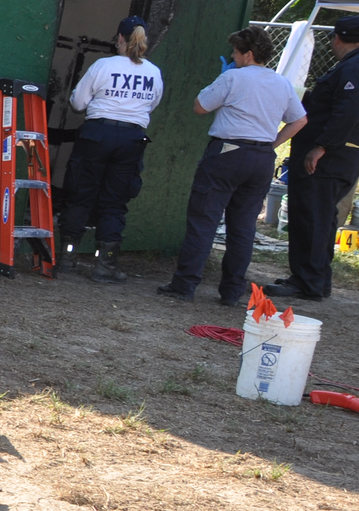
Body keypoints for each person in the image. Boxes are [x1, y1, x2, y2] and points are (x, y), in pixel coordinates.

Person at [157, 29, 307, 306]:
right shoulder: (281, 83)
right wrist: (271, 145)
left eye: (236, 53)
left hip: (227, 152)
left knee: (204, 221)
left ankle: (185, 284)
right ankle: (231, 291)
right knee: (243, 227)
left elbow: (200, 107)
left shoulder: (233, 77)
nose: (233, 57)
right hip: (261, 157)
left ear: (248, 54)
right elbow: (299, 121)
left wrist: (222, 78)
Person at [58, 16, 164, 282]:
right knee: (115, 202)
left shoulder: (103, 65)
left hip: (97, 135)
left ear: (119, 38)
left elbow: (79, 104)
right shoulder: (153, 72)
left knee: (80, 194)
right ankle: (105, 265)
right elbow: (151, 106)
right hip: (131, 139)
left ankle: (67, 259)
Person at [266, 14, 359, 300]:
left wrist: (322, 146)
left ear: (338, 38)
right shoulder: (349, 66)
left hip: (330, 157)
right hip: (341, 156)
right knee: (321, 216)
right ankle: (316, 278)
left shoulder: (353, 68)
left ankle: (307, 282)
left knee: (311, 216)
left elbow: (347, 111)